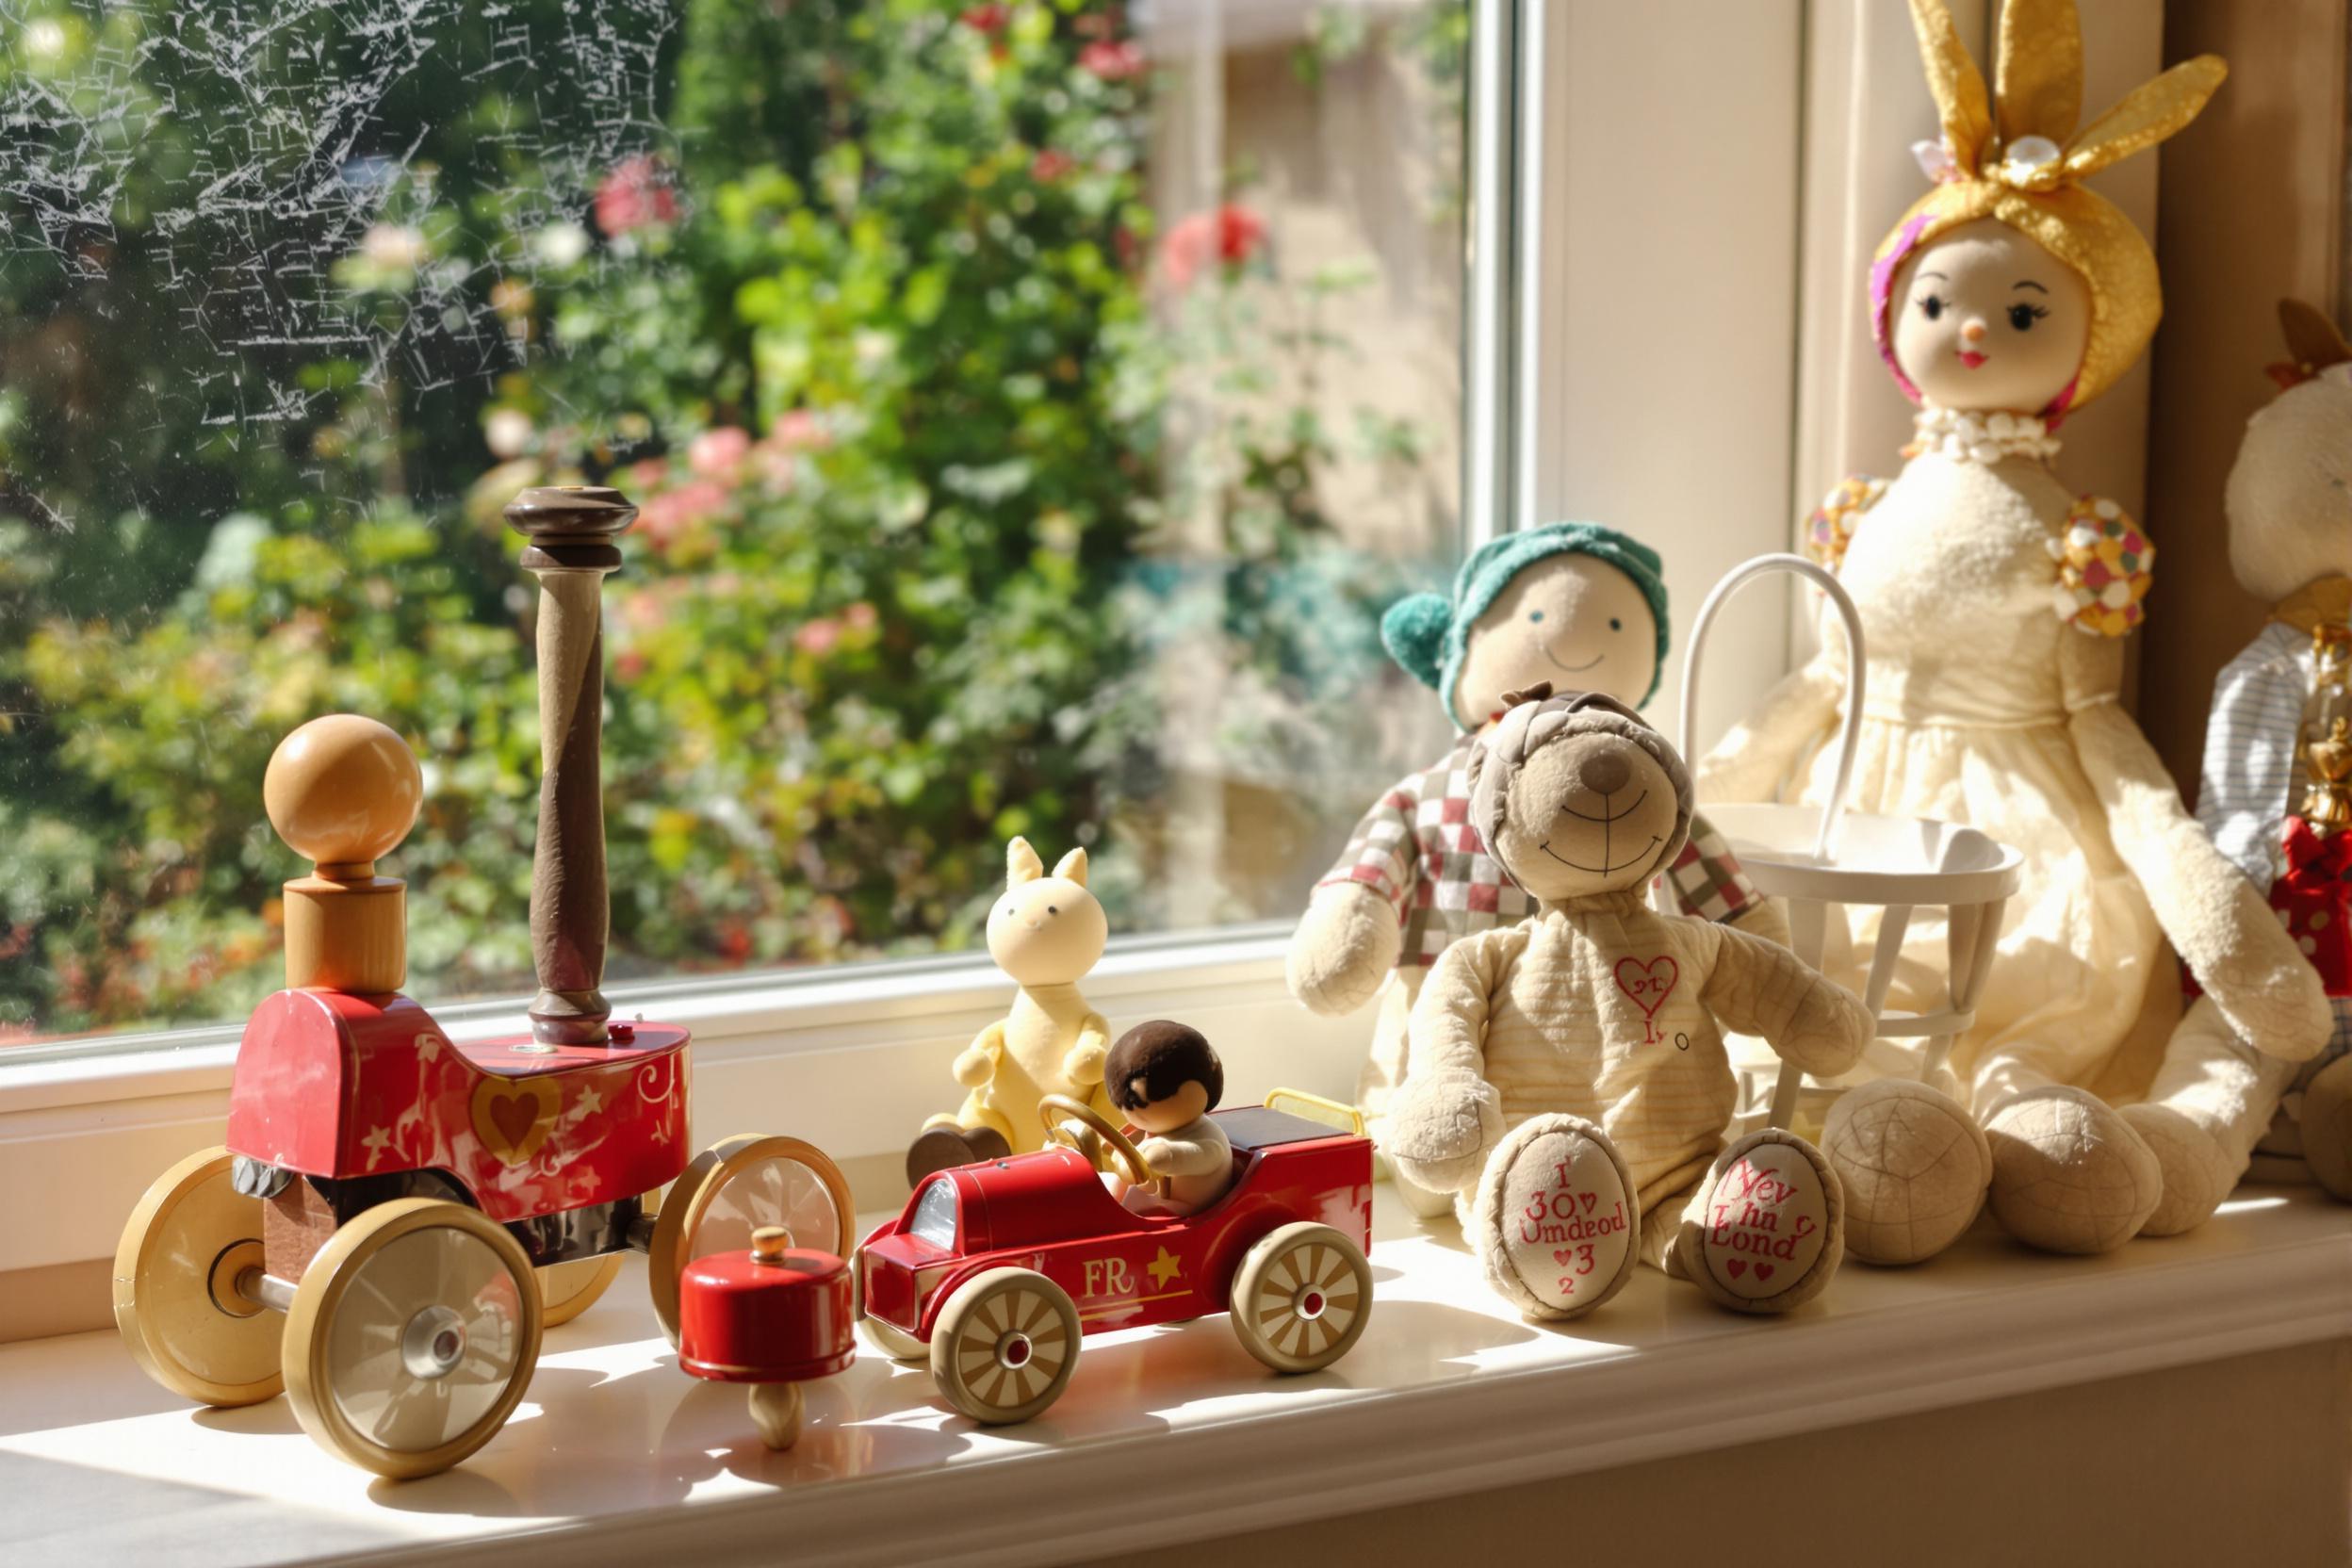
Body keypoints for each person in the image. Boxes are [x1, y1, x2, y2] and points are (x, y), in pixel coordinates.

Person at [1102, 1021, 1233, 1217]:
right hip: (1146, 1196)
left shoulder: (1206, 1137)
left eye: (1138, 1102)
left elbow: (1205, 1154)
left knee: (1117, 1213)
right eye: (1126, 1103)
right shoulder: (1154, 1129)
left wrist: (1168, 1156)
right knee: (1095, 1187)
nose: (1135, 1111)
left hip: (1182, 1212)